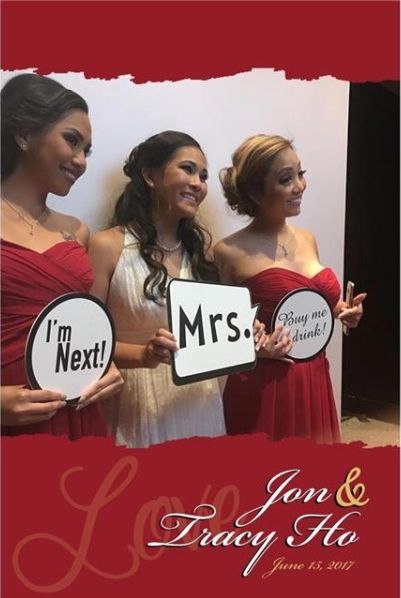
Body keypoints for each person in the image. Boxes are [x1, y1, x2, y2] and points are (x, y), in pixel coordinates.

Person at [214, 134, 366, 443]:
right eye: (286, 179)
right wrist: (254, 347)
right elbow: (217, 339)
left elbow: (313, 302)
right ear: (255, 192)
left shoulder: (308, 238)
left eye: (301, 173)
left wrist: (343, 310)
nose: (300, 186)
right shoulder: (227, 252)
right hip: (265, 385)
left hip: (314, 375)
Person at [1, 73, 123, 438]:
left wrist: (106, 364)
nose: (81, 160)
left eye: (86, 150)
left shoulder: (77, 231)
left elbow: (79, 328)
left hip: (78, 410)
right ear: (24, 135)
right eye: (72, 140)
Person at [89, 130, 228, 448]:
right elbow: (87, 346)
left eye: (203, 175)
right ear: (150, 175)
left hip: (200, 404)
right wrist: (144, 354)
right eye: (188, 169)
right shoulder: (107, 246)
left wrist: (249, 337)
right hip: (138, 406)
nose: (198, 183)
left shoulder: (201, 257)